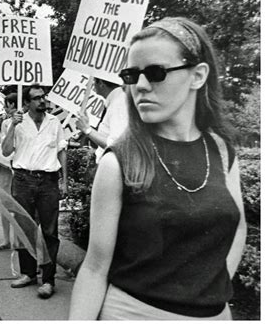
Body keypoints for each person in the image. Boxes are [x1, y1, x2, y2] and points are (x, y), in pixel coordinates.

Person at [69, 17, 247, 320]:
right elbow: (95, 268)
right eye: (131, 74)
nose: (140, 86)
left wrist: (209, 288)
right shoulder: (118, 162)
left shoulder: (221, 150)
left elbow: (238, 225)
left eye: (155, 72)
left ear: (198, 75)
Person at [2, 84, 68, 299]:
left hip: (48, 181)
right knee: (24, 227)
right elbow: (5, 151)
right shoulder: (16, 123)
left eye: (43, 97)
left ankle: (48, 280)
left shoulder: (54, 122)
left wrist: (64, 181)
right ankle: (28, 273)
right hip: (22, 179)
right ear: (27, 102)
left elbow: (62, 151)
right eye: (37, 98)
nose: (42, 101)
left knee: (49, 231)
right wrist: (12, 125)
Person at [75, 78, 128, 163]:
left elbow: (116, 145)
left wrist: (87, 130)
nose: (92, 84)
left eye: (94, 81)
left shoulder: (119, 104)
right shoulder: (116, 101)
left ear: (101, 83)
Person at [0, 93, 18, 251]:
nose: (5, 108)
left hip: (18, 168)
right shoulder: (6, 123)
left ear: (14, 105)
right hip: (4, 167)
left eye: (7, 105)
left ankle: (17, 240)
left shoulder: (26, 121)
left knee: (18, 206)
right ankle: (6, 239)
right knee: (3, 205)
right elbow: (4, 145)